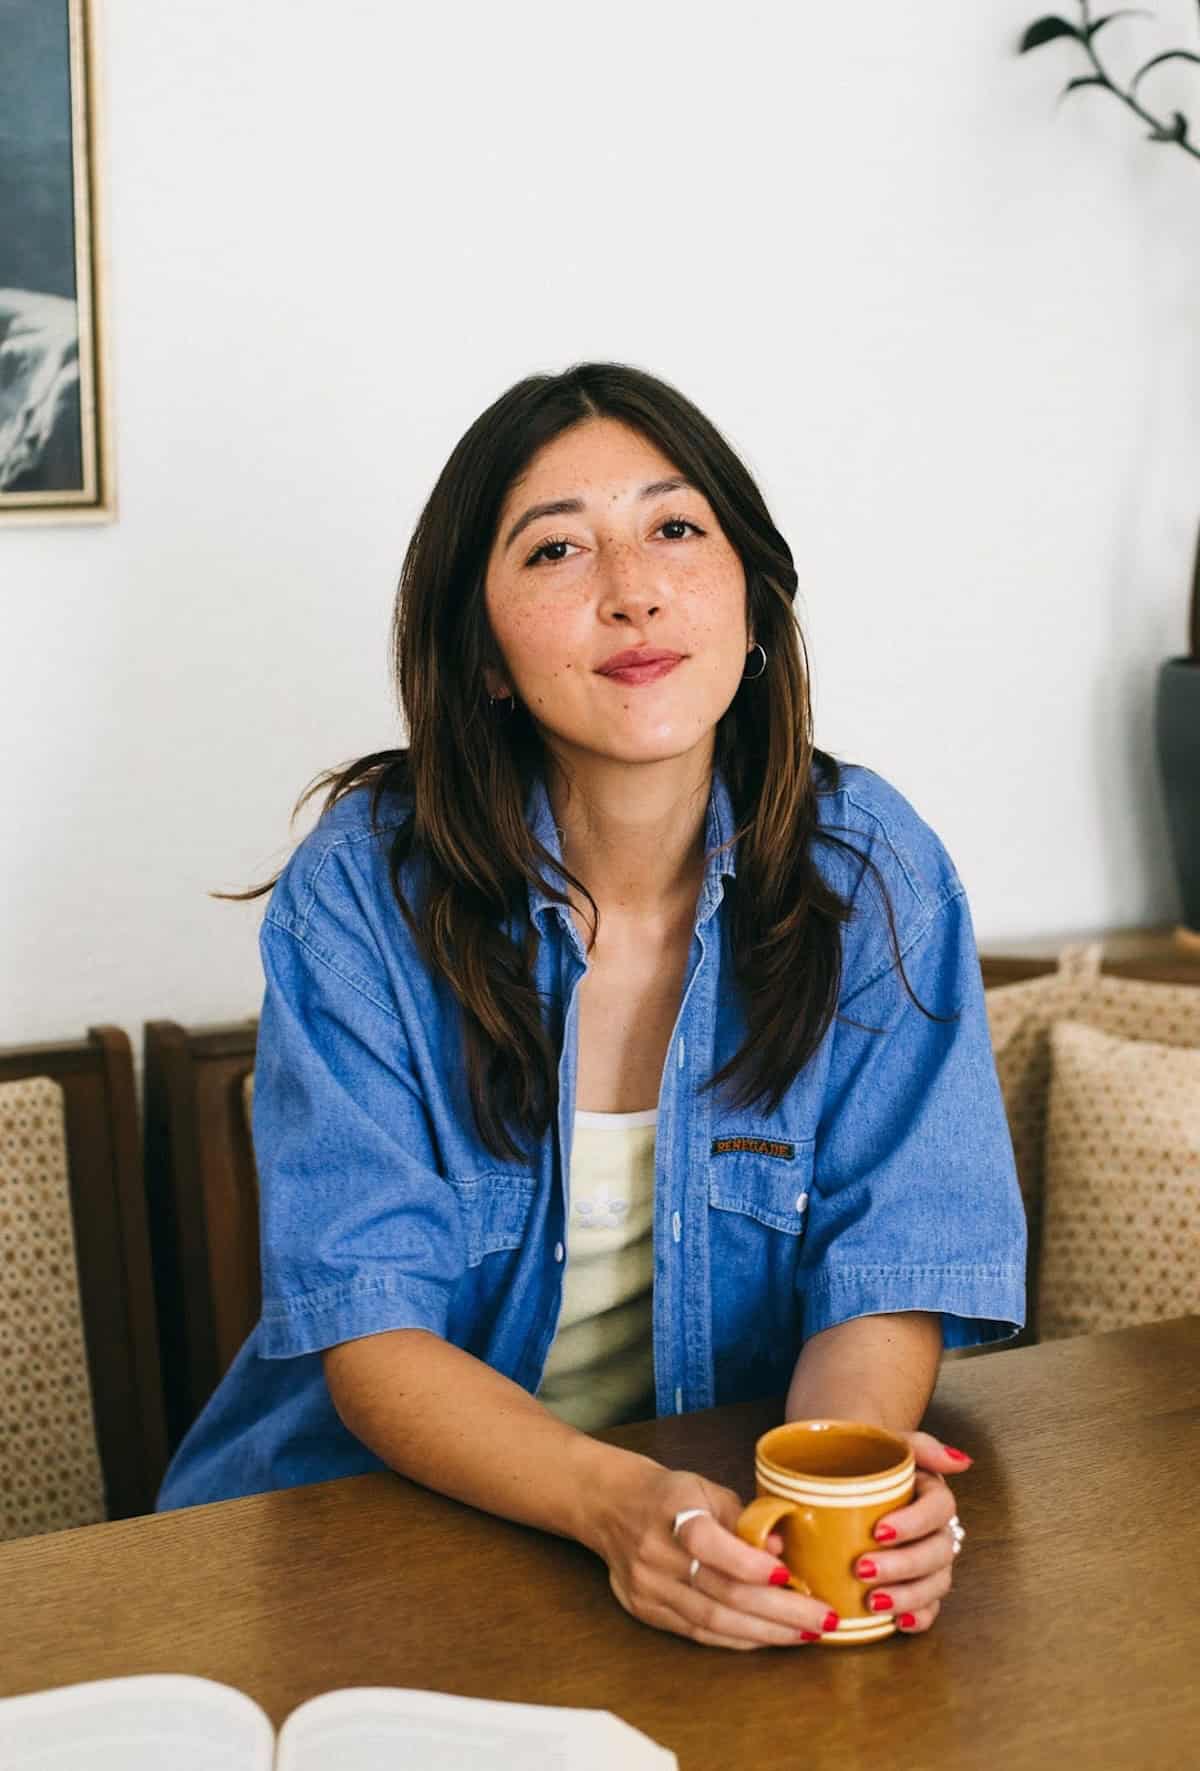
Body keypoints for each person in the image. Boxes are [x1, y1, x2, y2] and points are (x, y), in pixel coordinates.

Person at [157, 362, 1027, 1651]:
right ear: (487, 656)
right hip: (362, 1544)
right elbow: (370, 1331)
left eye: (676, 528)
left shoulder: (874, 872)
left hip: (715, 1527)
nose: (632, 590)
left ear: (753, 604)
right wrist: (620, 1508)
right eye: (557, 550)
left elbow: (890, 1263)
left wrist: (848, 1484)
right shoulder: (359, 896)